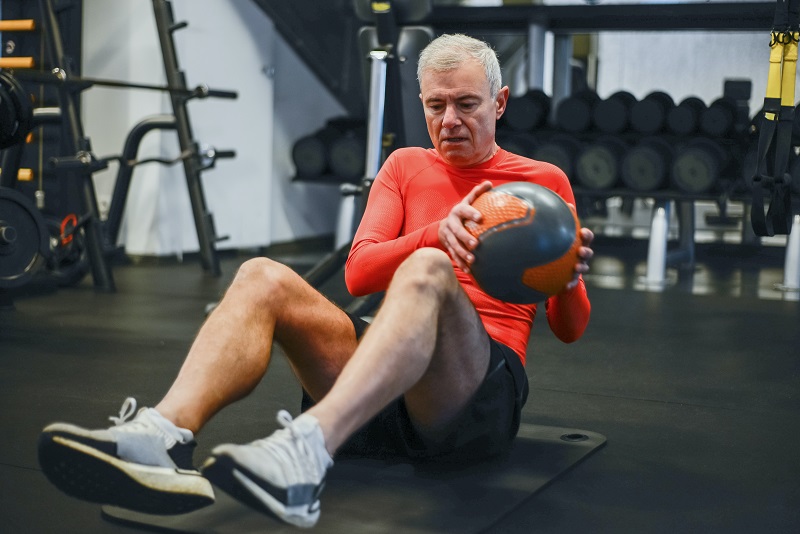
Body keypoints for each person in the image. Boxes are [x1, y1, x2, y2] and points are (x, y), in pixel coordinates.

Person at [38, 33, 593, 529]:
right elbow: (359, 272)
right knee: (261, 275)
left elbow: (569, 330)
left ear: (498, 102)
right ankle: (159, 437)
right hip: (380, 390)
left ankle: (305, 454)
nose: (450, 120)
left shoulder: (542, 183)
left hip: (471, 399)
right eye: (436, 104)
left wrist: (566, 276)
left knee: (429, 270)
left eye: (467, 104)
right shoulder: (404, 166)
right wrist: (434, 233)